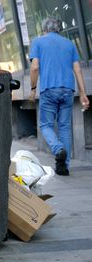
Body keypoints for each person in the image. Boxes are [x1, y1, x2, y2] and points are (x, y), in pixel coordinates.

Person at [29, 17, 90, 176]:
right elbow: (77, 69)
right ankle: (64, 167)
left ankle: (58, 149)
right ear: (59, 29)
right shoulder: (69, 44)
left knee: (45, 125)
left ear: (44, 29)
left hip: (49, 89)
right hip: (68, 90)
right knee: (64, 127)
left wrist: (33, 89)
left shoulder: (38, 42)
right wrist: (83, 93)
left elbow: (34, 67)